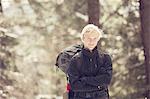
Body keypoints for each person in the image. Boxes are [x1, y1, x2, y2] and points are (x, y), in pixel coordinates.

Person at [67, 24, 113, 99]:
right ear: (83, 38)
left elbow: (106, 80)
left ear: (98, 39)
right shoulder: (75, 61)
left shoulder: (105, 58)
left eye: (94, 38)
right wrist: (97, 85)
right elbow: (74, 85)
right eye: (89, 38)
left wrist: (84, 80)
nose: (91, 41)